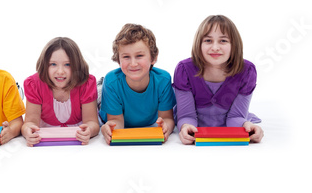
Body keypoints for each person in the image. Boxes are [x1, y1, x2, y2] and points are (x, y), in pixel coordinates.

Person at [174, 15, 264, 144]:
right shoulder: (184, 70)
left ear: (234, 45)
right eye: (208, 40)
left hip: (230, 121)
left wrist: (246, 126)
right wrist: (185, 127)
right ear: (199, 44)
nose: (215, 47)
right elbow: (186, 115)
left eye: (223, 41)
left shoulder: (247, 71)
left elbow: (236, 117)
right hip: (193, 122)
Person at [99, 24, 176, 145]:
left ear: (153, 58)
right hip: (104, 102)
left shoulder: (163, 80)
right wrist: (110, 129)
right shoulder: (112, 82)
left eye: (139, 56)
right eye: (126, 57)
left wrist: (166, 128)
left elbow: (167, 118)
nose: (133, 63)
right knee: (98, 93)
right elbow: (116, 121)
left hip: (146, 115)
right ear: (118, 60)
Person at [21, 37, 99, 146]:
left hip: (78, 143)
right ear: (45, 65)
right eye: (53, 64)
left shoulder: (86, 83)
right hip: (46, 143)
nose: (60, 71)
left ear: (77, 66)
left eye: (68, 64)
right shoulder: (34, 84)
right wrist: (28, 131)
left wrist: (89, 130)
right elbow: (30, 122)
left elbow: (92, 122)